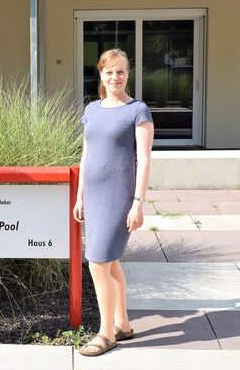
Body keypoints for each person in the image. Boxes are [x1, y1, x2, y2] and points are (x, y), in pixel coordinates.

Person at [73, 48, 154, 356]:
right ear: (101, 75)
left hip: (120, 197)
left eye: (120, 71)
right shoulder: (92, 110)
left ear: (127, 75)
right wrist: (80, 196)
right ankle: (123, 323)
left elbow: (144, 161)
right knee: (111, 262)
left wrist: (138, 203)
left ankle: (105, 333)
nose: (115, 77)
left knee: (97, 263)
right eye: (109, 72)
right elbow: (86, 154)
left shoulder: (138, 110)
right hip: (93, 197)